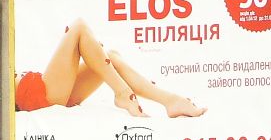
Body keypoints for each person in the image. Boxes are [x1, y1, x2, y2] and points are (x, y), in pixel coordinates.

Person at [15, 18, 206, 118]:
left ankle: (171, 101)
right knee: (78, 27)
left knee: (110, 58)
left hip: (40, 90)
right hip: (34, 95)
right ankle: (123, 94)